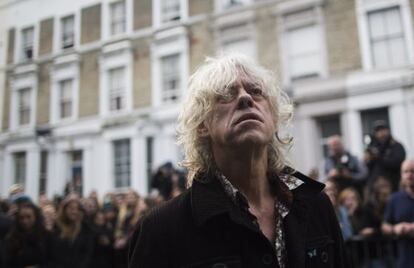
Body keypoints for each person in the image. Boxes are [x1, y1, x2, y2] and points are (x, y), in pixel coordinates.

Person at [129, 54, 348, 267]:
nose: (245, 98)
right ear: (202, 125)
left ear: (273, 117)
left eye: (256, 91)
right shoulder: (161, 229)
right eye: (225, 94)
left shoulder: (316, 203)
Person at [382, 159, 414, 268]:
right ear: (401, 174)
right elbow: (384, 225)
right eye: (406, 172)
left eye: (413, 171)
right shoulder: (394, 199)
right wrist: (395, 229)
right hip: (404, 260)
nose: (409, 175)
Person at [3, 202, 56, 267]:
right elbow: (7, 263)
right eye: (21, 218)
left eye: (29, 217)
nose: (25, 221)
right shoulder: (12, 238)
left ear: (36, 217)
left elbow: (54, 262)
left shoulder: (48, 236)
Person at [54, 195, 94, 268]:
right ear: (65, 209)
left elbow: (88, 254)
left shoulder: (85, 228)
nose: (74, 211)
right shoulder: (57, 227)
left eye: (77, 209)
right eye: (71, 208)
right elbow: (53, 254)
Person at [365, 121, 406, 192]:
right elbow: (368, 168)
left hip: (393, 185)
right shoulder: (373, 147)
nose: (381, 133)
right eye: (378, 131)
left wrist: (379, 157)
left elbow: (397, 163)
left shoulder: (396, 146)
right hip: (375, 186)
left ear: (388, 130)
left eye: (383, 130)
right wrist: (368, 160)